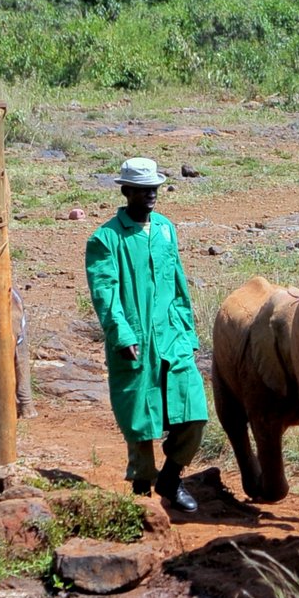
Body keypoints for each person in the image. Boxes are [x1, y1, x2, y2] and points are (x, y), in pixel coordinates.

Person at [85, 156, 208, 512]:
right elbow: (104, 292)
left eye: (153, 188)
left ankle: (171, 476)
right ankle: (141, 482)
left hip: (172, 336)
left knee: (194, 410)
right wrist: (122, 335)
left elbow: (179, 283)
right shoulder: (106, 239)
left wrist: (187, 329)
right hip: (136, 338)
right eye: (142, 190)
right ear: (126, 192)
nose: (150, 195)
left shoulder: (166, 229)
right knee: (138, 414)